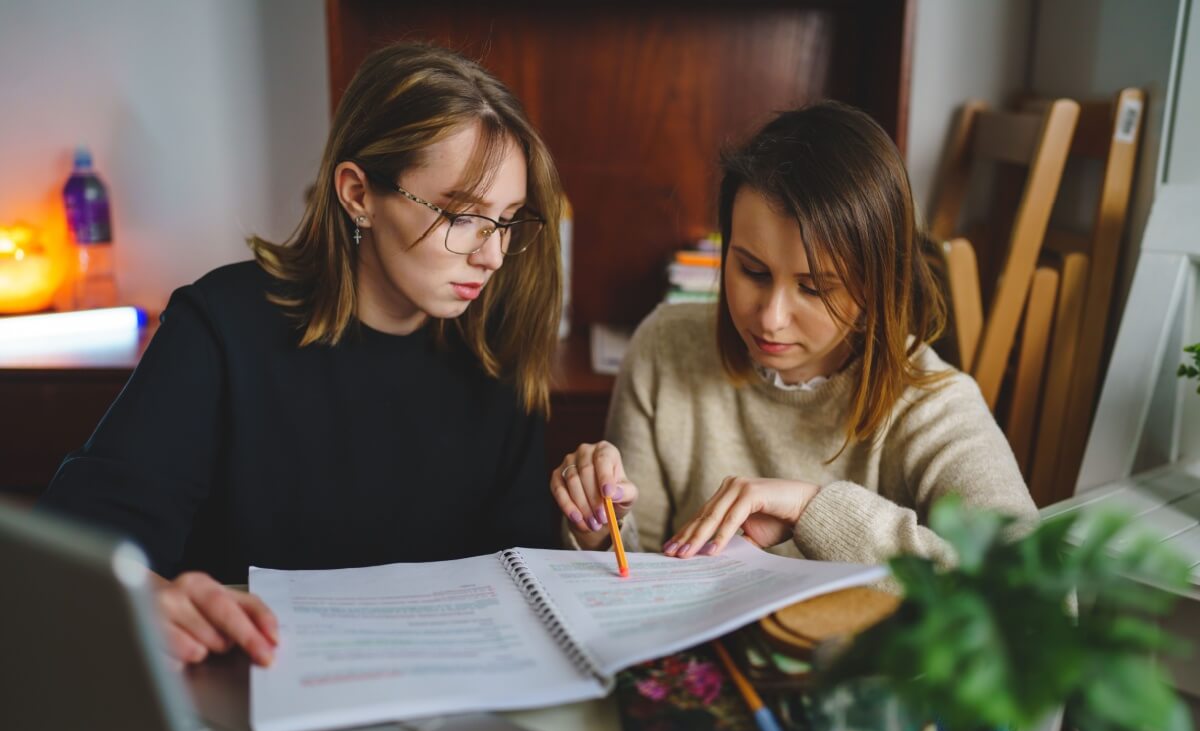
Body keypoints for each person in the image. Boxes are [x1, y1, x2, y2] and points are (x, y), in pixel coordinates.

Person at [39, 42, 566, 667]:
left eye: (505, 221)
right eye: (462, 215)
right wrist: (143, 597)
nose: (492, 255)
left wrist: (580, 526)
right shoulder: (220, 327)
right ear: (358, 193)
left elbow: (522, 569)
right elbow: (81, 544)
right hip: (245, 683)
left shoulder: (494, 347)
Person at [551, 101, 1036, 567]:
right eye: (752, 271)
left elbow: (1034, 594)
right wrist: (599, 529)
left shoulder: (933, 401)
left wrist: (812, 511)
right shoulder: (664, 347)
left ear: (876, 289)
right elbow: (640, 570)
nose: (771, 318)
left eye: (814, 288)